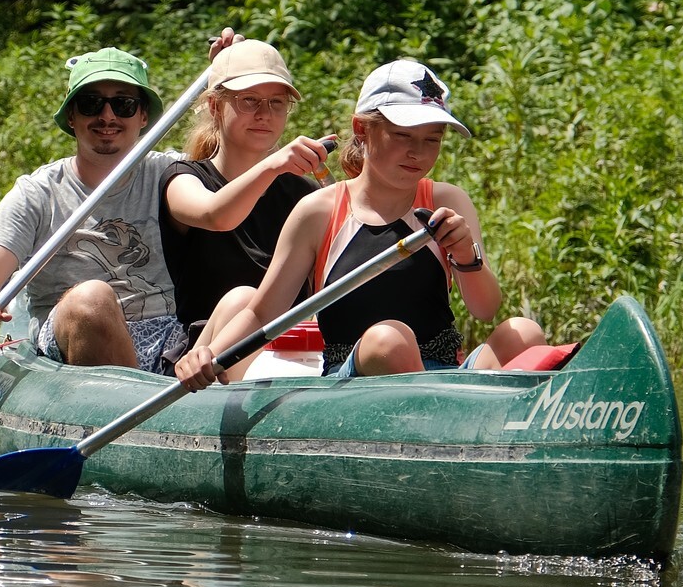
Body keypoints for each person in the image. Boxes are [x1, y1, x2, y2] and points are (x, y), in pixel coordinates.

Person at [175, 59, 546, 390]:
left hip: (442, 372)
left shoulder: (447, 200)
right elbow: (261, 312)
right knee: (390, 340)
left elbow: (485, 310)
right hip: (354, 381)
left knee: (524, 333)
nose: (417, 152)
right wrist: (209, 353)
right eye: (402, 136)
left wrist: (466, 255)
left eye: (432, 140)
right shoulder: (317, 211)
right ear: (362, 129)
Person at [0, 30, 241, 372]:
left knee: (242, 302)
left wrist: (232, 78)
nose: (107, 116)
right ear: (72, 117)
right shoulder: (38, 192)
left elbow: (235, 158)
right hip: (73, 332)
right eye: (91, 104)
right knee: (92, 298)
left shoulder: (171, 174)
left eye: (123, 104)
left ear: (143, 117)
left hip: (168, 337)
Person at [158, 39, 333, 377]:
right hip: (203, 359)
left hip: (295, 351)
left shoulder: (304, 192)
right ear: (214, 106)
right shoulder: (184, 179)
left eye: (276, 103)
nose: (264, 114)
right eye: (248, 100)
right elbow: (216, 215)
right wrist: (274, 166)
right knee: (242, 299)